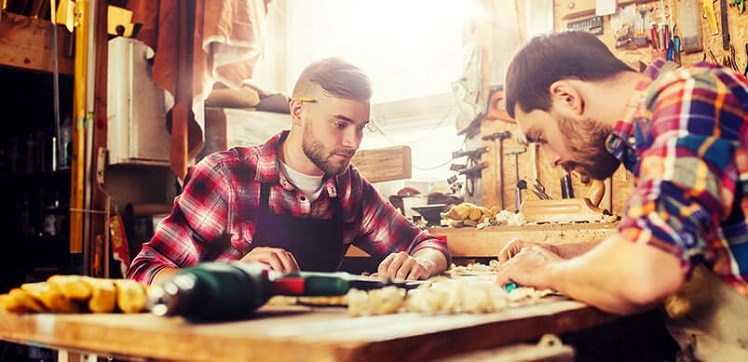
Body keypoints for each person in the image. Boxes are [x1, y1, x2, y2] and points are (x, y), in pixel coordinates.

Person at [497, 30, 748, 360]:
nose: (551, 160)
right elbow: (658, 241)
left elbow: (646, 270)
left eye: (540, 137)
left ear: (567, 97)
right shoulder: (648, 137)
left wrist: (547, 272)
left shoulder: (688, 95)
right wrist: (560, 251)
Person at [127, 57, 450, 286]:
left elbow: (428, 245)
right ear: (298, 111)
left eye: (361, 127)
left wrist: (419, 263)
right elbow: (144, 273)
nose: (353, 142)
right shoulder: (226, 177)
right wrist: (231, 275)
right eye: (340, 124)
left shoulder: (350, 189)